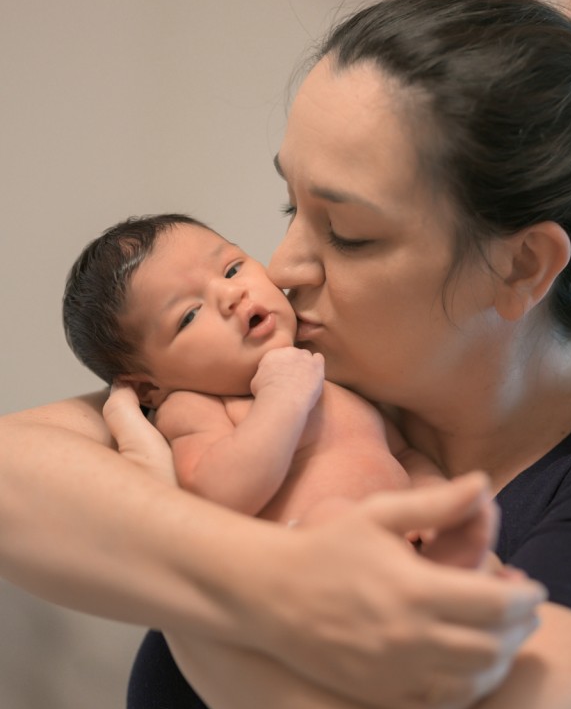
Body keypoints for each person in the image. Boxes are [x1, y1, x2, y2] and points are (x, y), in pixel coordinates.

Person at [0, 0, 571, 709]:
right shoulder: (296, 379)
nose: (281, 267)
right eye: (290, 204)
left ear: (522, 265)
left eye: (347, 232)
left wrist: (172, 556)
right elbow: (15, 475)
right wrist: (279, 579)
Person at [62, 213, 474, 535]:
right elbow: (220, 494)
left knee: (480, 566)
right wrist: (282, 399)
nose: (230, 295)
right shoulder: (196, 408)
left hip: (408, 550)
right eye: (188, 314)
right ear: (149, 386)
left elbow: (403, 455)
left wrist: (433, 503)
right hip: (316, 572)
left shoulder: (329, 366)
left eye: (231, 269)